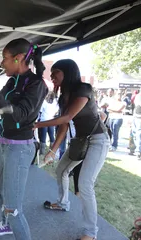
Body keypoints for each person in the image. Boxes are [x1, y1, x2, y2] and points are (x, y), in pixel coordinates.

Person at [0, 38, 47, 240]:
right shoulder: (11, 82)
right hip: (3, 143)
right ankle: (7, 225)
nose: (2, 63)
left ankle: (12, 222)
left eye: (4, 59)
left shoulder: (37, 84)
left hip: (20, 147)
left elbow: (20, 114)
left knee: (13, 208)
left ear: (18, 59)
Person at [34, 59, 109, 240]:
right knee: (61, 170)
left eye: (55, 73)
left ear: (68, 72)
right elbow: (64, 125)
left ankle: (91, 233)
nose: (52, 77)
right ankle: (62, 203)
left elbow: (68, 116)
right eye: (51, 74)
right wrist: (53, 150)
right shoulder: (63, 97)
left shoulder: (83, 89)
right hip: (80, 140)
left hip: (98, 140)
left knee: (84, 183)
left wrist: (36, 124)